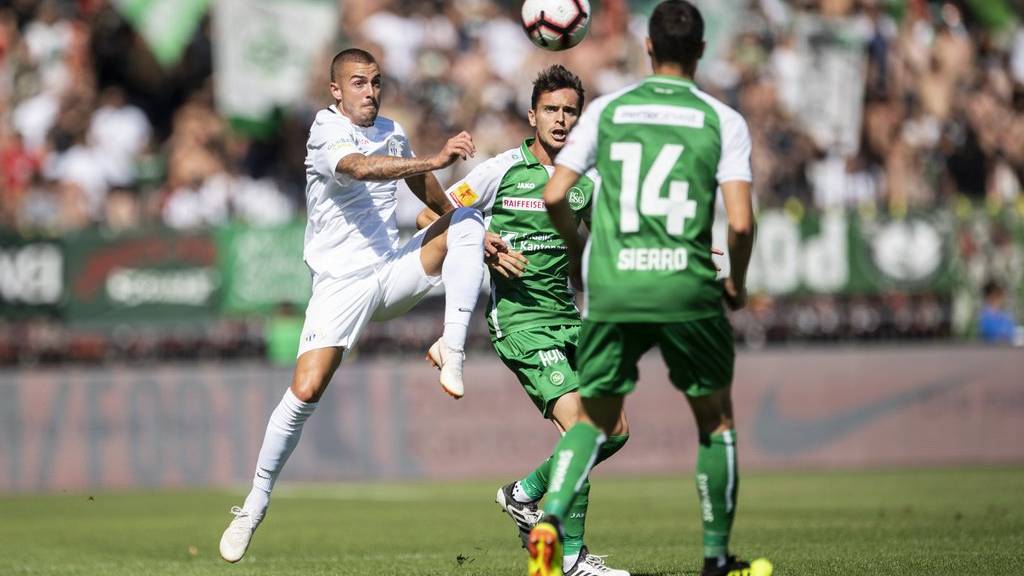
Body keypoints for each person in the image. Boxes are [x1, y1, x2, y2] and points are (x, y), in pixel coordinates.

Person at [527, 3, 772, 576]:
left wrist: (582, 252)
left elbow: (556, 194)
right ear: (702, 51)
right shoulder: (722, 120)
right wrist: (735, 281)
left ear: (647, 47)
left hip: (614, 288)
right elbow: (739, 222)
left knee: (592, 420)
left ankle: (548, 520)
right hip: (684, 288)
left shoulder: (608, 111)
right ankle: (715, 559)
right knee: (715, 421)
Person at [219, 48, 487, 563]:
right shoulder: (324, 131)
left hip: (391, 271)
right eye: (359, 83)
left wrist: (455, 212)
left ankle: (452, 348)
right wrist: (433, 157)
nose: (370, 91)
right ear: (336, 90)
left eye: (376, 82)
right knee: (305, 390)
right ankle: (255, 503)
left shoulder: (391, 127)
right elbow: (361, 169)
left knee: (469, 220)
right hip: (340, 285)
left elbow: (420, 184)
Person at [418, 65, 630, 576]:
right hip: (520, 323)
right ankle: (571, 559)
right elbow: (435, 216)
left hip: (569, 320)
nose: (560, 120)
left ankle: (524, 492)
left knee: (615, 430)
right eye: (551, 110)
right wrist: (484, 244)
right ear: (532, 115)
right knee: (580, 427)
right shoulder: (501, 170)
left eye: (570, 111)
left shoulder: (585, 181)